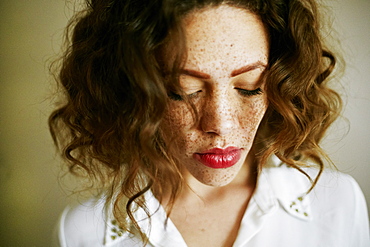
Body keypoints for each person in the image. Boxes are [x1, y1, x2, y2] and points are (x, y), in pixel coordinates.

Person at [49, 0, 369, 246]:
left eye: (249, 86)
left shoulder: (337, 203)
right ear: (134, 91)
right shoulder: (84, 232)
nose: (222, 125)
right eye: (185, 91)